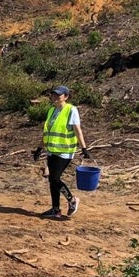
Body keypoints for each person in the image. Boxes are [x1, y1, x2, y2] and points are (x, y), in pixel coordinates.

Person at [33, 85, 90, 220]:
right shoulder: (51, 110)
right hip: (52, 150)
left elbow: (77, 130)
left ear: (66, 97)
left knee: (54, 178)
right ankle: (55, 209)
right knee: (52, 181)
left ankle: (72, 200)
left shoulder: (71, 110)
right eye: (53, 95)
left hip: (65, 152)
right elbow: (47, 132)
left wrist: (84, 148)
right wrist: (39, 148)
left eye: (58, 95)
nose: (55, 97)